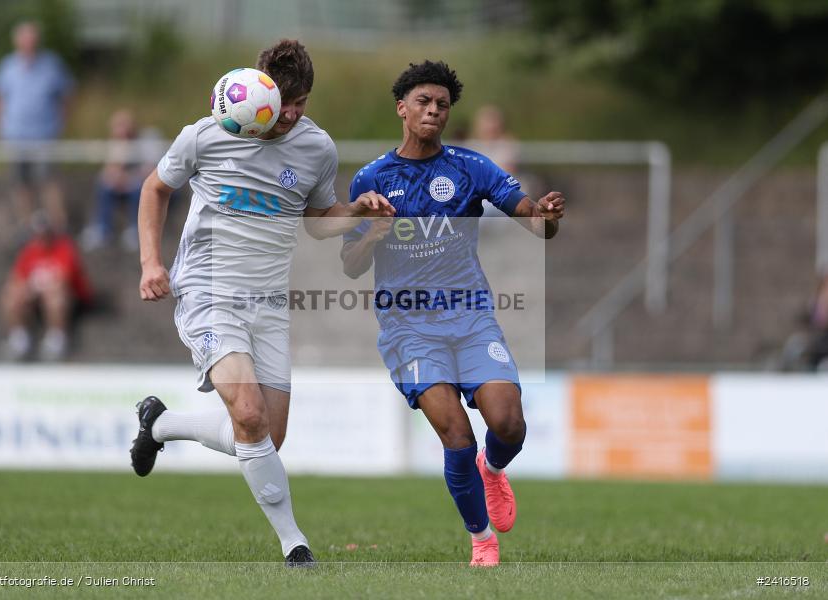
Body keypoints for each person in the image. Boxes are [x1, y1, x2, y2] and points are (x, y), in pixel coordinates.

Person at [130, 39, 394, 567]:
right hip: (209, 295)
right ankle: (295, 544)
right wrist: (150, 263)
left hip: (270, 304)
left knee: (266, 435)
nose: (292, 113)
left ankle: (160, 424)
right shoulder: (205, 135)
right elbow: (154, 188)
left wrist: (360, 213)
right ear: (259, 89)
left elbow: (320, 224)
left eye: (303, 102)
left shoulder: (316, 148)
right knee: (248, 416)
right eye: (285, 101)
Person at [340, 61, 565, 567]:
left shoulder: (471, 167)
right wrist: (372, 232)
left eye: (442, 105)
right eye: (424, 102)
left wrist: (547, 218)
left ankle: (494, 470)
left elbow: (533, 221)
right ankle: (481, 537)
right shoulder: (372, 178)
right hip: (409, 327)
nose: (434, 111)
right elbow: (352, 265)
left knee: (508, 423)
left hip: (471, 317)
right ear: (402, 108)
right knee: (456, 436)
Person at [0, 20, 74, 232]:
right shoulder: (7, 66)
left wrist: (61, 123)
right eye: (25, 40)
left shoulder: (51, 65)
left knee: (49, 181)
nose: (29, 44)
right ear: (17, 42)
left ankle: (58, 226)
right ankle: (26, 227)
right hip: (15, 136)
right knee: (20, 183)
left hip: (44, 135)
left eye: (32, 39)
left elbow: (67, 95)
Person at [0, 212, 93, 361]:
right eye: (38, 233)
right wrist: (26, 290)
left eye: (44, 233)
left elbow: (64, 280)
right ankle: (19, 338)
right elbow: (16, 278)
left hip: (69, 297)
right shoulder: (30, 251)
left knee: (54, 295)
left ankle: (56, 338)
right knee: (11, 294)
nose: (41, 237)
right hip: (37, 298)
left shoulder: (64, 249)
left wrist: (37, 287)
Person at [81, 109, 153, 252]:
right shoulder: (116, 144)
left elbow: (151, 172)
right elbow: (108, 174)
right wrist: (121, 148)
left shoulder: (145, 142)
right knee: (104, 188)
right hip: (123, 187)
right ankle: (103, 229)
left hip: (141, 186)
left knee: (138, 189)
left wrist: (128, 179)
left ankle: (136, 230)